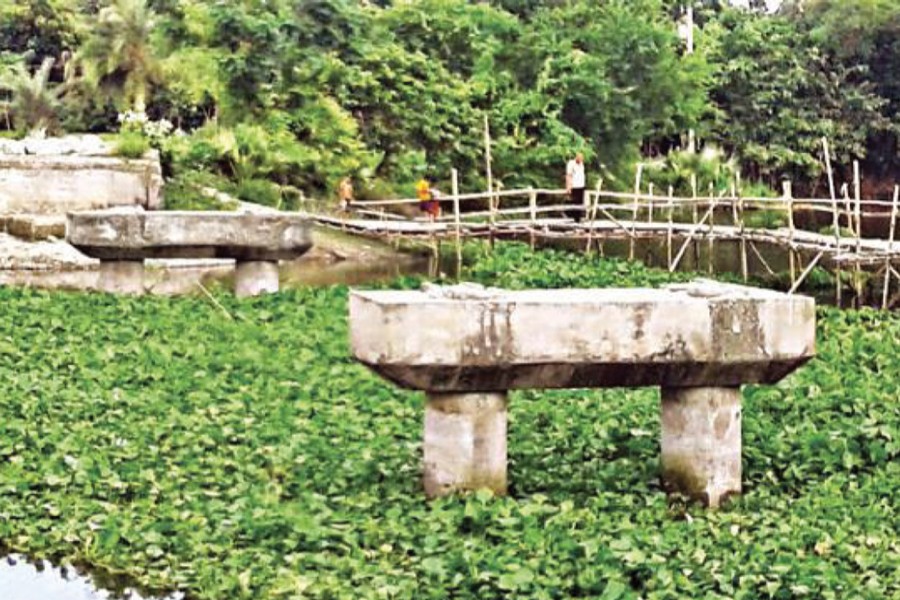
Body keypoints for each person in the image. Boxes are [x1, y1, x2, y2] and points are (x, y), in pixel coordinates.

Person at [565, 152, 586, 223]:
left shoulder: (581, 164)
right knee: (574, 202)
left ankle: (578, 219)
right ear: (576, 157)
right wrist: (568, 186)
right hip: (574, 186)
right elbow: (569, 175)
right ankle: (572, 218)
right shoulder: (571, 164)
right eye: (579, 158)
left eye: (582, 158)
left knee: (580, 203)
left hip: (581, 186)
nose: (581, 159)